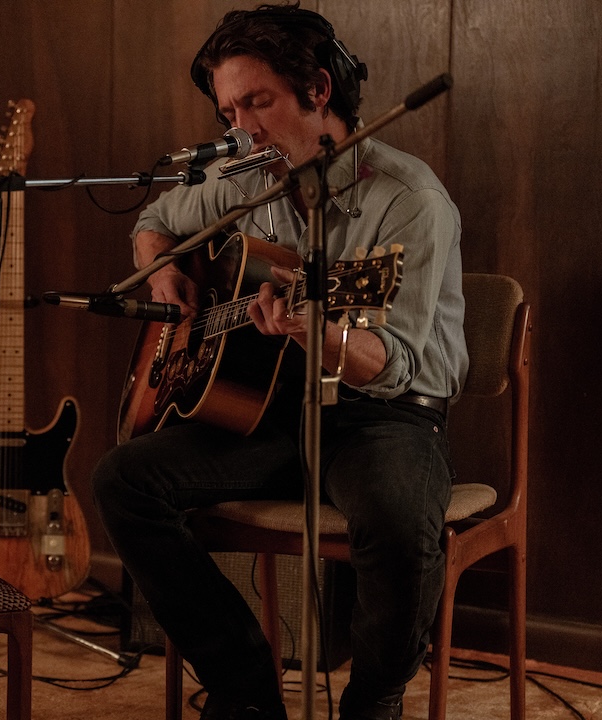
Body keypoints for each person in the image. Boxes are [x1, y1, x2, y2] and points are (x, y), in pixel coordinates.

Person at [92, 4, 467, 720]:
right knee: (124, 480)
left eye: (256, 102)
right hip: (271, 407)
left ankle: (373, 701)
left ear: (319, 90)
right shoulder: (245, 172)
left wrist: (313, 326)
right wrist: (164, 275)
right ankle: (244, 689)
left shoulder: (410, 200)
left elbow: (389, 361)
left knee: (395, 518)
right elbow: (155, 223)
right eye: (230, 110)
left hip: (379, 416)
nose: (242, 129)